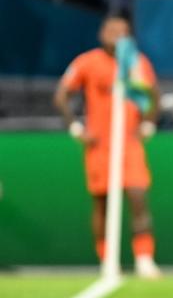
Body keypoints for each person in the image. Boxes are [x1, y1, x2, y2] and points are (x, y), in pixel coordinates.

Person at [53, 15, 162, 279]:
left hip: (129, 143)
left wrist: (148, 123)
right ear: (101, 32)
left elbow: (154, 95)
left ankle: (144, 259)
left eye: (121, 31)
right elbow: (61, 95)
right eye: (110, 30)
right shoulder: (87, 62)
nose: (115, 35)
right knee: (101, 202)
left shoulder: (136, 62)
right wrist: (76, 127)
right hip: (100, 144)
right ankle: (107, 260)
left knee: (137, 197)